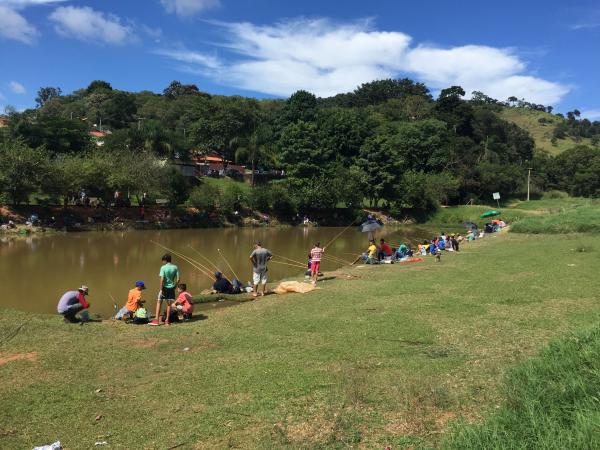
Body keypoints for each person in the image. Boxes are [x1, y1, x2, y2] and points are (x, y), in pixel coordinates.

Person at [149, 254, 179, 326]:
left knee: (159, 302)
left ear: (165, 260)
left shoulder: (163, 268)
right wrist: (175, 286)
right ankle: (167, 321)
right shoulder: (175, 267)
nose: (163, 262)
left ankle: (156, 320)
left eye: (163, 261)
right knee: (169, 305)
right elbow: (178, 279)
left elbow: (162, 279)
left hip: (164, 288)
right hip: (171, 288)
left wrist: (161, 290)